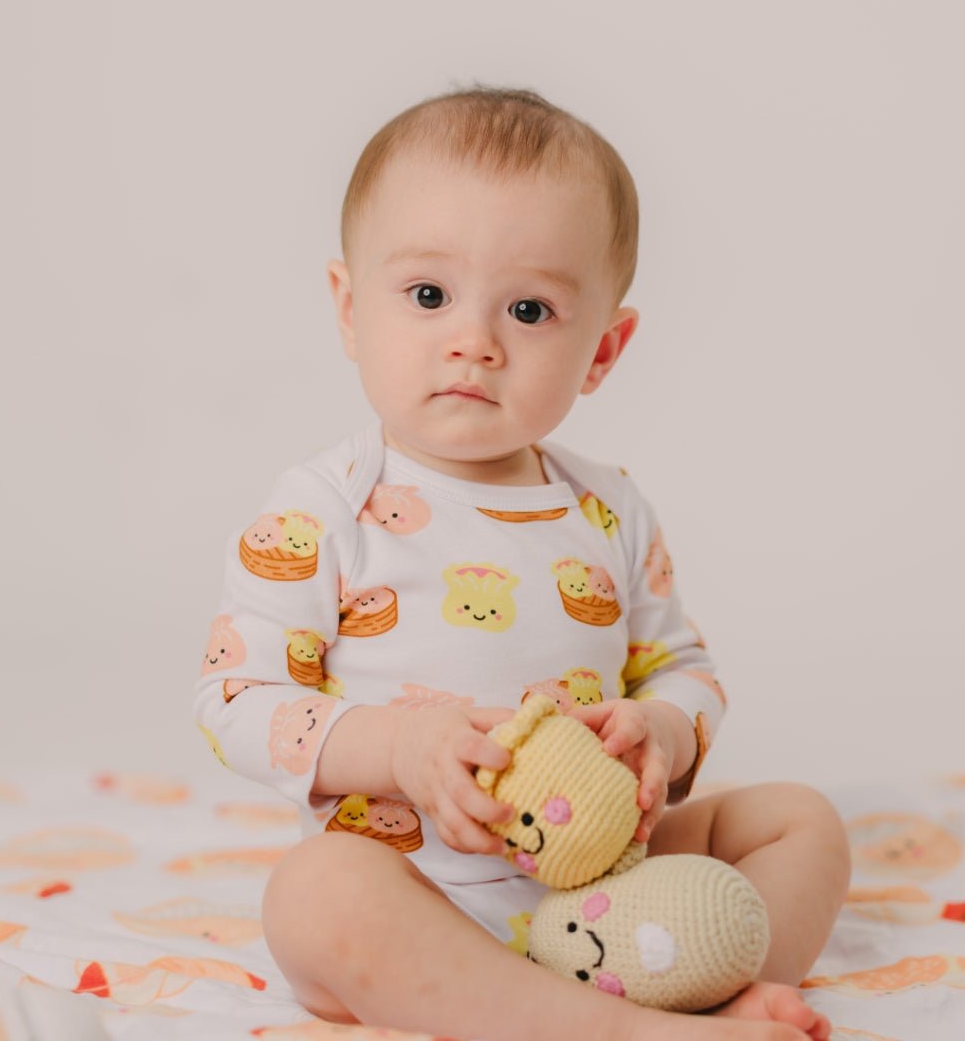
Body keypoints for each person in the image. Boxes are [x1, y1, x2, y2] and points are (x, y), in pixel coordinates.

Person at [195, 85, 851, 1041]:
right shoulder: (324, 507)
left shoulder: (608, 509)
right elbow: (234, 700)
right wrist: (399, 751)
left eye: (531, 309)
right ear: (349, 307)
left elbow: (683, 670)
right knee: (316, 891)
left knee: (802, 823)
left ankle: (697, 974)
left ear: (603, 349)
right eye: (428, 295)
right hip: (420, 896)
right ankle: (621, 1026)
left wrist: (660, 735)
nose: (475, 342)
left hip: (604, 893)